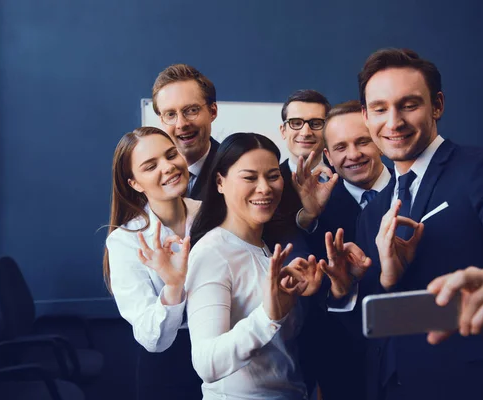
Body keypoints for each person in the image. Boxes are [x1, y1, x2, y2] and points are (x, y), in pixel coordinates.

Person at [343, 48, 483, 400]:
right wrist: (382, 280)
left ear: (437, 105)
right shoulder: (373, 210)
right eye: (380, 109)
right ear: (365, 116)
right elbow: (381, 322)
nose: (393, 122)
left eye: (409, 105)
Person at [186, 132, 328, 400]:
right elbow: (207, 364)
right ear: (220, 182)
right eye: (250, 177)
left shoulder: (266, 248)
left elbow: (279, 353)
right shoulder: (212, 252)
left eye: (273, 176)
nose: (264, 187)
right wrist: (268, 317)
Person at [291, 100, 391, 399]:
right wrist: (309, 216)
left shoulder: (414, 190)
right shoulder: (315, 208)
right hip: (343, 366)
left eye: (363, 141)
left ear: (381, 142)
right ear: (328, 156)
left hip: (415, 356)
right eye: (341, 147)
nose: (353, 155)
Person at [103, 127, 202, 399]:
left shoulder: (213, 214)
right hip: (169, 368)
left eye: (171, 155)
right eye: (150, 166)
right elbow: (151, 338)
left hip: (224, 354)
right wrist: (173, 285)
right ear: (134, 183)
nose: (168, 167)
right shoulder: (126, 240)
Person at [263, 89, 333, 250]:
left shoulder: (344, 177)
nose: (306, 132)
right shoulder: (266, 184)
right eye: (296, 123)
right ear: (283, 131)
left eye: (315, 123)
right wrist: (307, 216)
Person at [152, 64, 220, 199]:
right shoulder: (149, 178)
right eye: (170, 114)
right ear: (161, 119)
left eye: (191, 110)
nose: (181, 124)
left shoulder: (234, 170)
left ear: (212, 112)